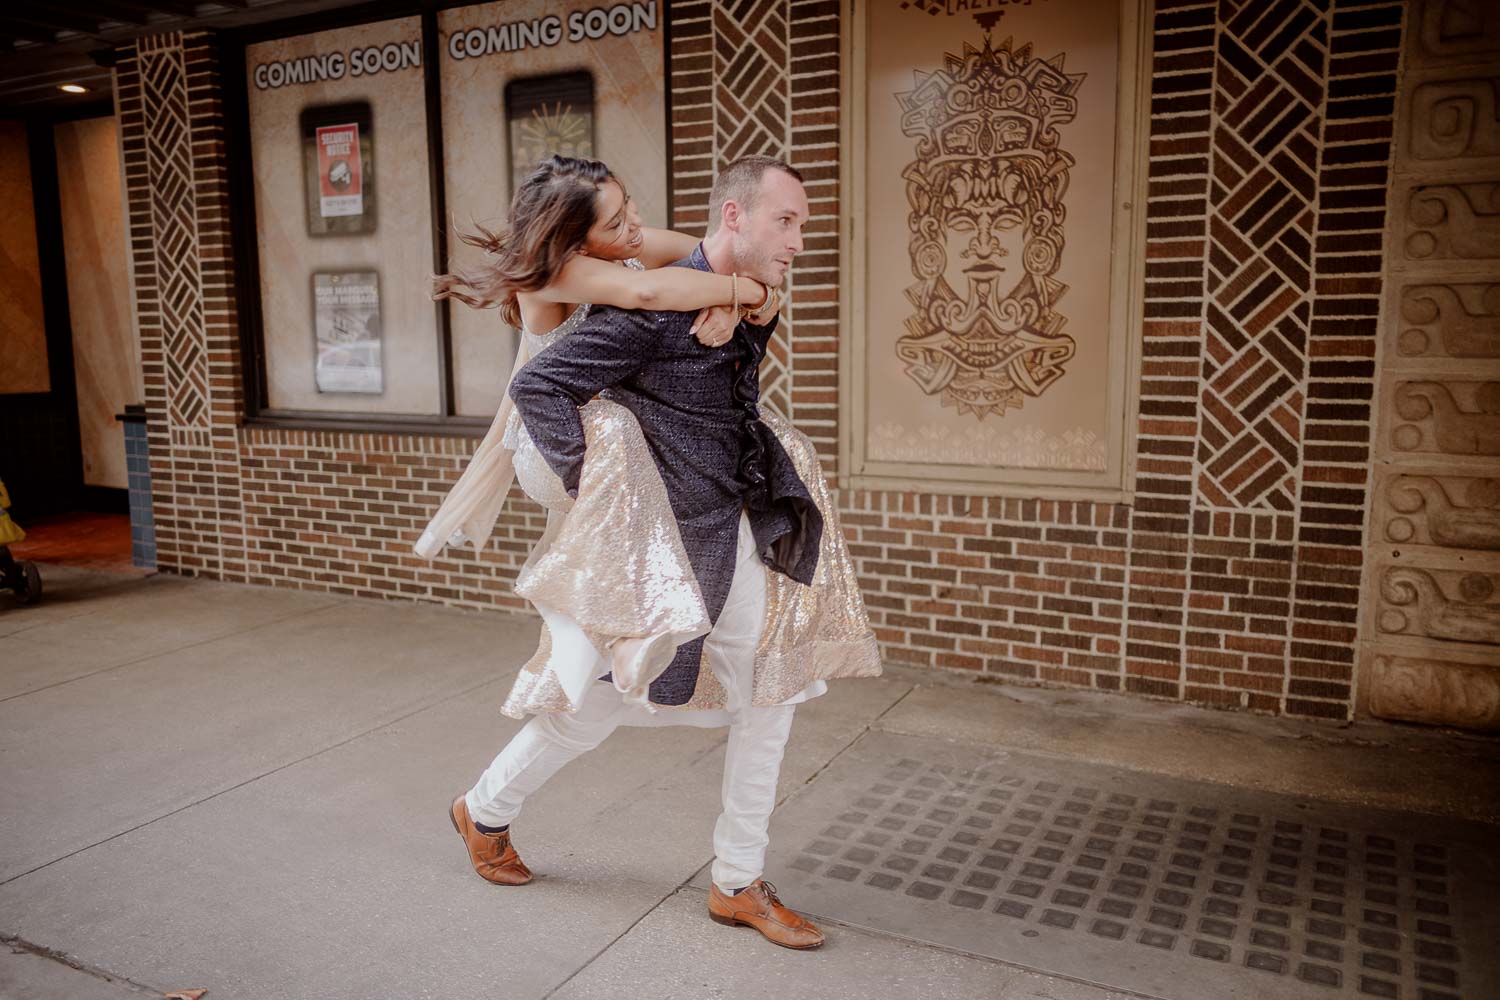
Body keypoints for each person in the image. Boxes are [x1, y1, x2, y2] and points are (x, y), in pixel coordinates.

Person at [445, 155, 882, 951]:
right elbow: (539, 389)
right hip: (658, 548)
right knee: (598, 703)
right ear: (734, 217)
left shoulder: (724, 284)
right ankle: (484, 809)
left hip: (733, 521)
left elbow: (713, 287)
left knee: (770, 691)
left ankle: (736, 881)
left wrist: (750, 293)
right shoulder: (635, 302)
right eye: (785, 222)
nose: (799, 240)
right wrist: (605, 492)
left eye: (803, 225)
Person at [418, 155, 785, 695]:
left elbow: (716, 257)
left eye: (629, 204)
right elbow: (650, 294)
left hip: (608, 438)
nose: (634, 225)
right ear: (575, 242)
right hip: (552, 438)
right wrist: (745, 296)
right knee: (623, 431)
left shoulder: (625, 241)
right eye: (613, 223)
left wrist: (742, 296)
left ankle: (627, 651)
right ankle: (627, 637)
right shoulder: (555, 273)